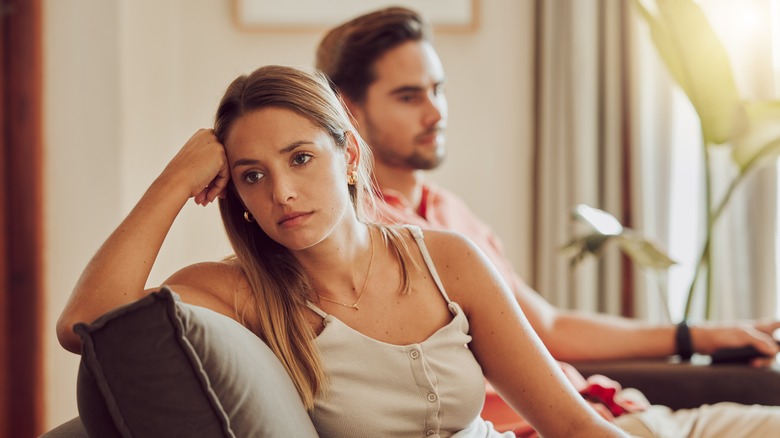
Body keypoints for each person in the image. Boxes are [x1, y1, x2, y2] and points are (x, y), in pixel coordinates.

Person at [56, 65, 627, 437]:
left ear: (349, 156)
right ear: (235, 193)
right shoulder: (234, 292)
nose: (281, 192)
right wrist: (175, 180)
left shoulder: (446, 261)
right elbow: (84, 326)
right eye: (252, 175)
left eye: (300, 158)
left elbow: (571, 423)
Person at [315, 6, 780, 437]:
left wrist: (696, 334)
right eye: (409, 96)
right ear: (348, 109)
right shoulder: (362, 239)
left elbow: (548, 325)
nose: (436, 113)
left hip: (619, 411)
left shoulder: (448, 211)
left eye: (438, 89)